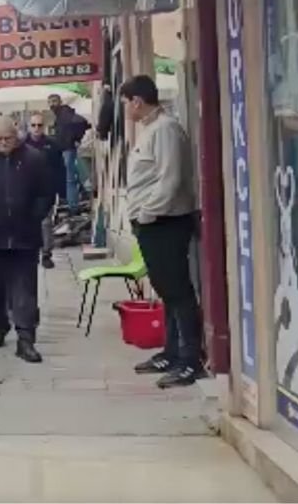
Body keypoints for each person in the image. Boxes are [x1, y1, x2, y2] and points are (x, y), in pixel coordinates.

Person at [120, 75, 203, 388]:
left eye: (126, 103)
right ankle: (170, 351)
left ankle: (189, 359)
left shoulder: (166, 129)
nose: (126, 109)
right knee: (165, 289)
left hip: (165, 221)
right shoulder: (150, 129)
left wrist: (147, 213)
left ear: (137, 101)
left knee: (178, 290)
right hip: (151, 223)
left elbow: (171, 179)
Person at [0, 119, 55, 365]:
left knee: (25, 289)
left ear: (17, 137)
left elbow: (46, 192)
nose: (4, 143)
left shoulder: (34, 159)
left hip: (24, 234)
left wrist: (34, 215)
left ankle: (26, 339)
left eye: (8, 138)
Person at [24, 113, 64, 269]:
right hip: (26, 189)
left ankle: (46, 254)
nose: (36, 129)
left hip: (46, 189)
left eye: (39, 125)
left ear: (44, 126)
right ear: (29, 126)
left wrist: (62, 191)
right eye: (33, 125)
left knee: (46, 222)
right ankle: (30, 252)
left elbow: (60, 168)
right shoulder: (22, 145)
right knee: (27, 222)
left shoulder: (52, 145)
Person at [47, 93, 91, 210]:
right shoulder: (62, 114)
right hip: (68, 148)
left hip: (68, 149)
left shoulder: (64, 114)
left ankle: (73, 207)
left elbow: (82, 123)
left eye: (54, 101)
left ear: (60, 102)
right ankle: (78, 201)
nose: (52, 104)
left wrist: (73, 139)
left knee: (70, 179)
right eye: (50, 102)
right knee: (75, 177)